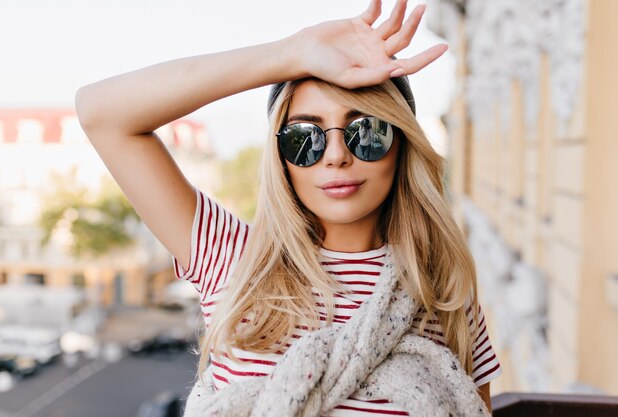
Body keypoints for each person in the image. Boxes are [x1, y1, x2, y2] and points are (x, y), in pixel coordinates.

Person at [75, 0, 502, 415]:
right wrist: (290, 54)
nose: (335, 155)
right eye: (304, 137)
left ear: (401, 145)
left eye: (366, 131)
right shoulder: (233, 260)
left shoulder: (444, 292)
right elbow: (103, 113)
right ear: (281, 158)